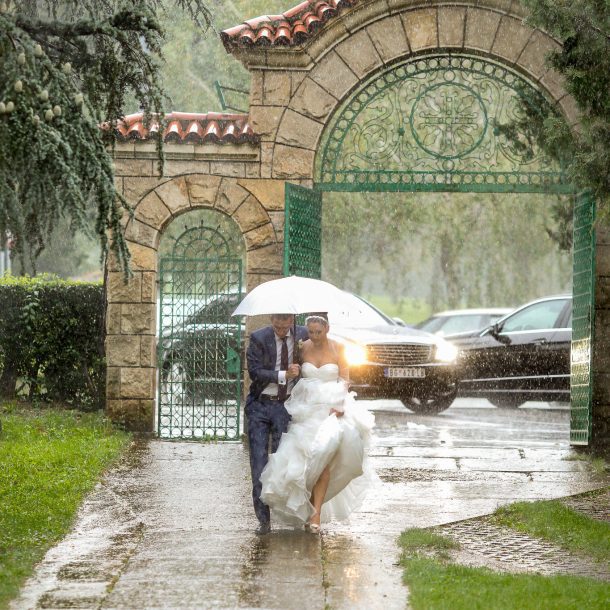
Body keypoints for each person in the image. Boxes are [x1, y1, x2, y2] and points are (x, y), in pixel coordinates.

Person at [260, 314, 375, 533]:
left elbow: (345, 377)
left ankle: (316, 514)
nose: (315, 336)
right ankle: (306, 507)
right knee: (305, 459)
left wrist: (340, 404)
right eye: (311, 332)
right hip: (305, 408)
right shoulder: (302, 347)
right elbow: (292, 372)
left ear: (327, 329)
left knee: (324, 456)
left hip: (331, 408)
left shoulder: (338, 348)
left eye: (318, 332)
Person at [245, 313, 309, 535]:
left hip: (287, 407)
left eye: (284, 326)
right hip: (261, 406)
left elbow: (314, 362)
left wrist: (301, 371)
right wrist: (283, 374)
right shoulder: (258, 338)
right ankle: (264, 520)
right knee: (259, 463)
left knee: (285, 463)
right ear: (272, 319)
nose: (280, 329)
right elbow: (255, 372)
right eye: (277, 325)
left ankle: (291, 512)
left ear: (292, 321)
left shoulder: (304, 335)